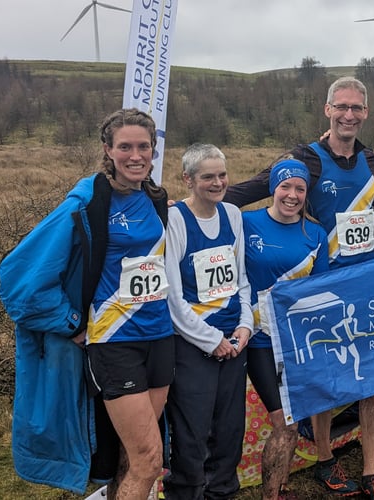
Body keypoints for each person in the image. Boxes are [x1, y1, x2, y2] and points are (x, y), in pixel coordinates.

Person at [224, 76, 374, 500]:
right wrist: (192, 207)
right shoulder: (304, 159)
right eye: (341, 107)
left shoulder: (371, 162)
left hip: (365, 283)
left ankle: (368, 471)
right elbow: (252, 189)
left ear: (365, 113)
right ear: (327, 110)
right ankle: (326, 458)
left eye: (356, 108)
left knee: (369, 379)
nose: (349, 115)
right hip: (321, 287)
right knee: (326, 381)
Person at [0, 108, 175, 499]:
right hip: (115, 343)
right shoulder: (87, 201)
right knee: (150, 459)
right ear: (108, 150)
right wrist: (71, 321)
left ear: (154, 150)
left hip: (160, 336)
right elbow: (19, 276)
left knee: (131, 457)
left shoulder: (154, 198)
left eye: (143, 147)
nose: (135, 155)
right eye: (125, 147)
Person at [163, 143, 254, 499]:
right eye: (207, 177)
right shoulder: (175, 221)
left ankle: (223, 493)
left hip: (234, 340)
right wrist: (210, 339)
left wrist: (245, 325)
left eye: (222, 175)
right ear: (188, 179)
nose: (218, 183)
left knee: (229, 431)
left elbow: (241, 279)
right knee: (191, 435)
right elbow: (172, 296)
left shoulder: (232, 214)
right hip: (193, 345)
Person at [242, 158, 329, 500]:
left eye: (300, 189)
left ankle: (279, 485)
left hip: (294, 344)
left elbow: (319, 290)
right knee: (285, 423)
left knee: (292, 421)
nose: (292, 195)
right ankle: (271, 494)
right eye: (285, 187)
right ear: (273, 188)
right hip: (256, 340)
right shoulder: (245, 222)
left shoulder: (316, 233)